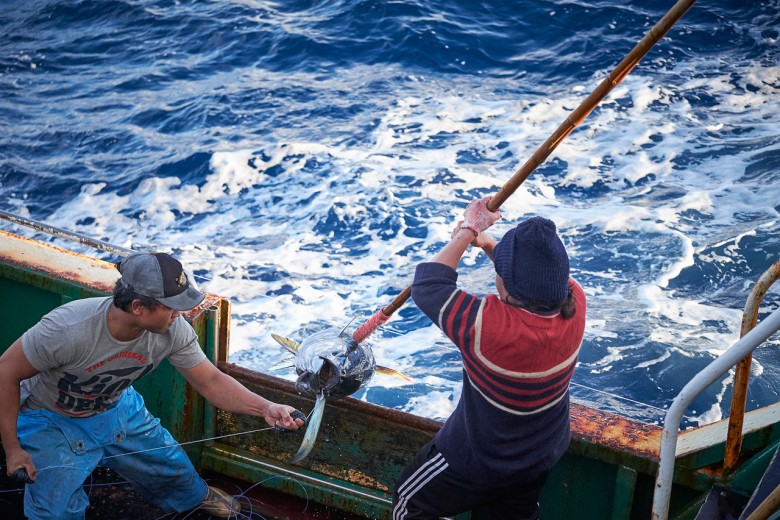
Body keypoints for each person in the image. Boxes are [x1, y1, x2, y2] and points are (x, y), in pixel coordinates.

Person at [0, 251, 305, 519]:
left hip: (116, 406)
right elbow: (5, 374)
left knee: (171, 465)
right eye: (171, 307)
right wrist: (12, 449)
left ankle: (195, 499)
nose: (180, 314)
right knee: (55, 508)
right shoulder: (66, 329)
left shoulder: (174, 331)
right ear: (137, 307)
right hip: (48, 418)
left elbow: (211, 381)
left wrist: (267, 407)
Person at [392, 197, 586, 520]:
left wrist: (468, 231)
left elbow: (427, 285)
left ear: (509, 291)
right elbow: (540, 279)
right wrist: (487, 244)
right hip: (540, 454)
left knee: (408, 503)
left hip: (480, 462)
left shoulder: (490, 328)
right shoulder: (575, 304)